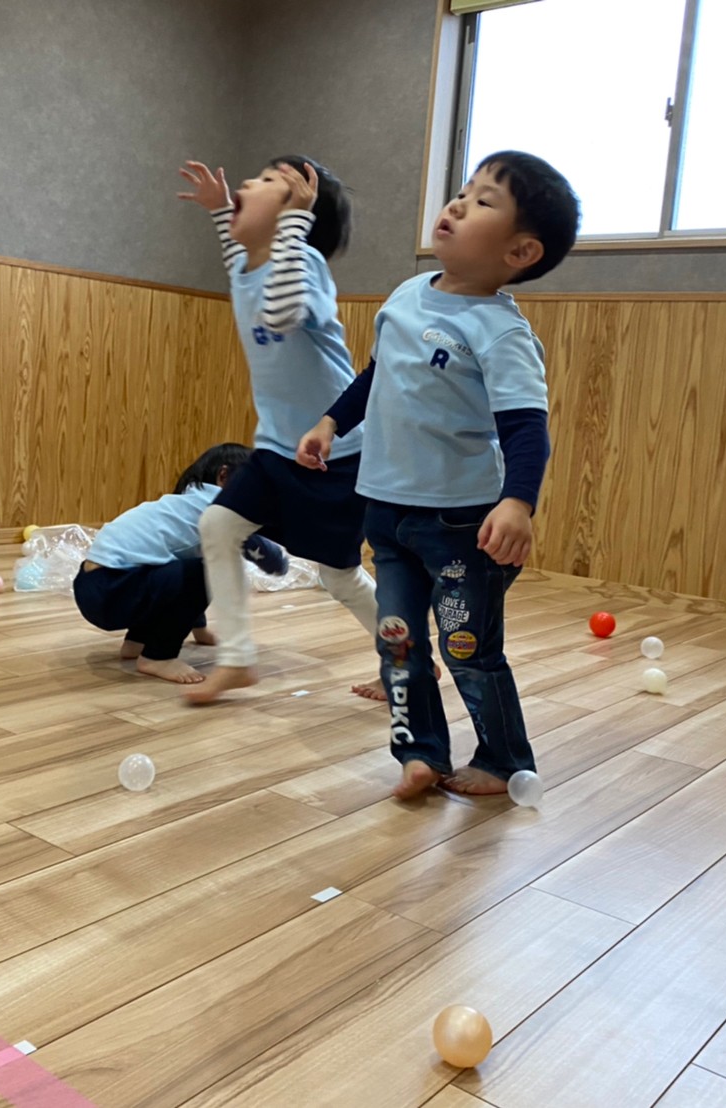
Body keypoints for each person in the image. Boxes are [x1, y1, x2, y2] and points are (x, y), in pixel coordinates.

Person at [296, 151, 580, 798]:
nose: (457, 204)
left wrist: (518, 503)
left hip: (459, 525)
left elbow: (526, 428)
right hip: (387, 512)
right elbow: (377, 376)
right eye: (462, 191)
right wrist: (332, 422)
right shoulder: (406, 294)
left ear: (520, 251)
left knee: (467, 649)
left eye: (483, 202)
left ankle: (503, 759)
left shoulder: (501, 332)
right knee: (397, 640)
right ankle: (420, 752)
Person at [174, 155, 379, 704]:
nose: (247, 181)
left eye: (268, 181)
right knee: (218, 523)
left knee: (340, 577)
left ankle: (409, 659)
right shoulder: (247, 268)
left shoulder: (304, 265)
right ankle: (238, 659)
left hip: (337, 454)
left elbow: (283, 312)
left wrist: (295, 222)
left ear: (298, 215)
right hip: (275, 449)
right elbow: (243, 254)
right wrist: (222, 211)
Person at [73, 443, 286, 684]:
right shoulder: (219, 508)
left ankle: (136, 643)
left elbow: (182, 572)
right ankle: (158, 657)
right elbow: (268, 557)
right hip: (113, 592)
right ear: (224, 475)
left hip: (93, 587)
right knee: (206, 571)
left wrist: (200, 630)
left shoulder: (186, 503)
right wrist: (281, 561)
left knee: (182, 567)